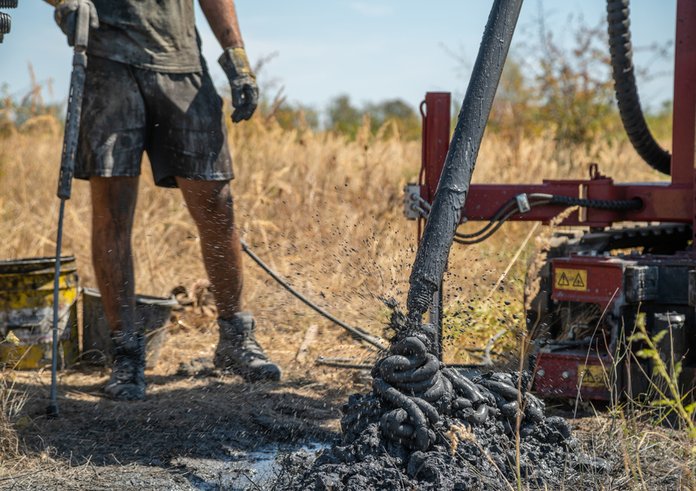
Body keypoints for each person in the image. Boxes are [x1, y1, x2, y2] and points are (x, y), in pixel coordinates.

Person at [46, 0, 281, 401]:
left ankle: (235, 339)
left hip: (182, 63)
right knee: (113, 214)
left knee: (216, 205)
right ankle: (127, 353)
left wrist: (236, 56)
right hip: (109, 59)